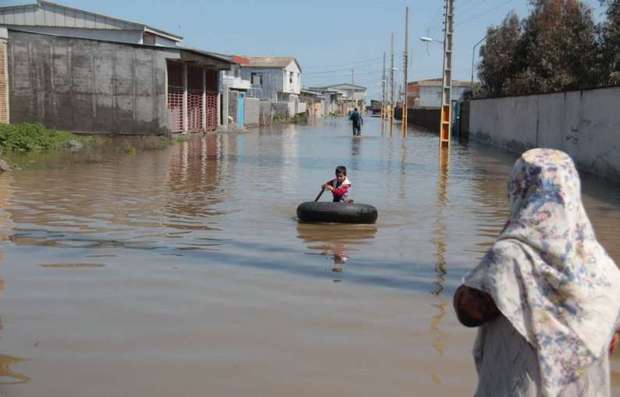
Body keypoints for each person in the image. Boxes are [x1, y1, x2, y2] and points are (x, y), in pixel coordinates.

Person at [453, 148, 620, 397]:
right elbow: (610, 341)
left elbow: (469, 312)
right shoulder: (602, 267)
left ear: (520, 188)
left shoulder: (510, 256)